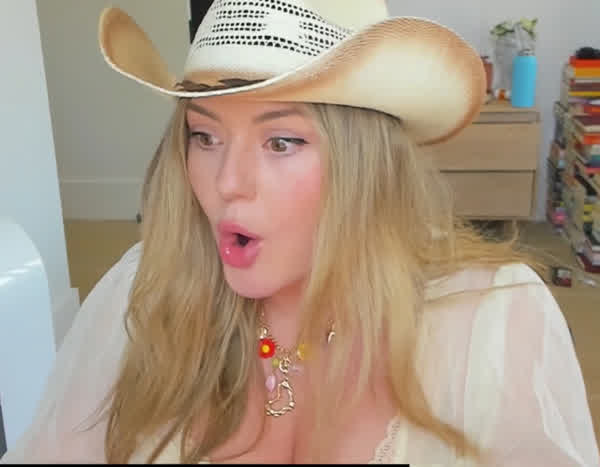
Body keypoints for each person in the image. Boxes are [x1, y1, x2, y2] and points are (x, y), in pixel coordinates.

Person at [2, 0, 599, 464]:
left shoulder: (493, 321)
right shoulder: (148, 289)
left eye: (282, 141)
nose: (227, 183)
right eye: (204, 136)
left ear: (366, 164)